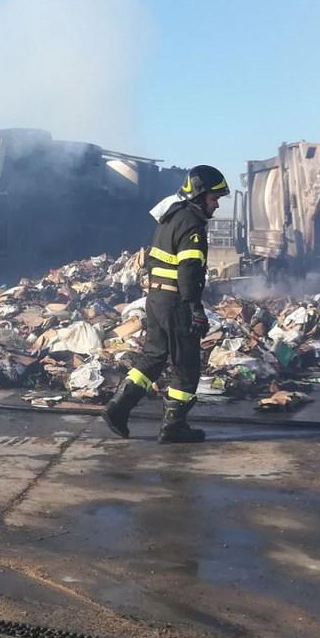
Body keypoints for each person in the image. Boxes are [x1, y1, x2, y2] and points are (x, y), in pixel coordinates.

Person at [103, 165, 228, 443]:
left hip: (157, 299)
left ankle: (118, 408)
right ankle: (174, 426)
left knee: (154, 357)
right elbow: (189, 270)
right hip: (176, 302)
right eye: (213, 198)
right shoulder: (192, 224)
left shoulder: (170, 217)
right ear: (199, 195)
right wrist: (195, 308)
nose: (217, 205)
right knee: (187, 365)